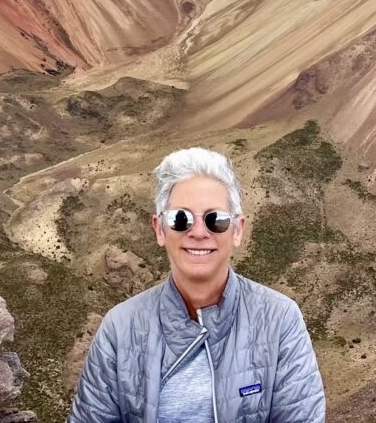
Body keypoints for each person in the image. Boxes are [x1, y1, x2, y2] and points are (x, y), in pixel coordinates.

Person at [69, 146, 326, 422]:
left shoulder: (280, 320)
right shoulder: (120, 328)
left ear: (237, 230)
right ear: (160, 229)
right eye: (181, 219)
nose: (199, 233)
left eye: (215, 220)